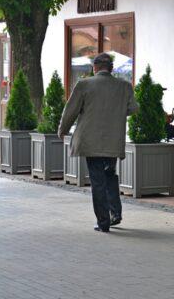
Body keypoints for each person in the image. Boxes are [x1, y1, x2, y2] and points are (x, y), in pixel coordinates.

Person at [58, 53, 139, 232]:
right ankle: (115, 214)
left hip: (90, 141)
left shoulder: (84, 84)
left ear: (95, 67)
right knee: (110, 175)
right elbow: (133, 108)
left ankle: (103, 222)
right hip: (113, 140)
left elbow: (70, 110)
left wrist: (62, 130)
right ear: (111, 69)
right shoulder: (124, 86)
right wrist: (116, 111)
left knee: (97, 181)